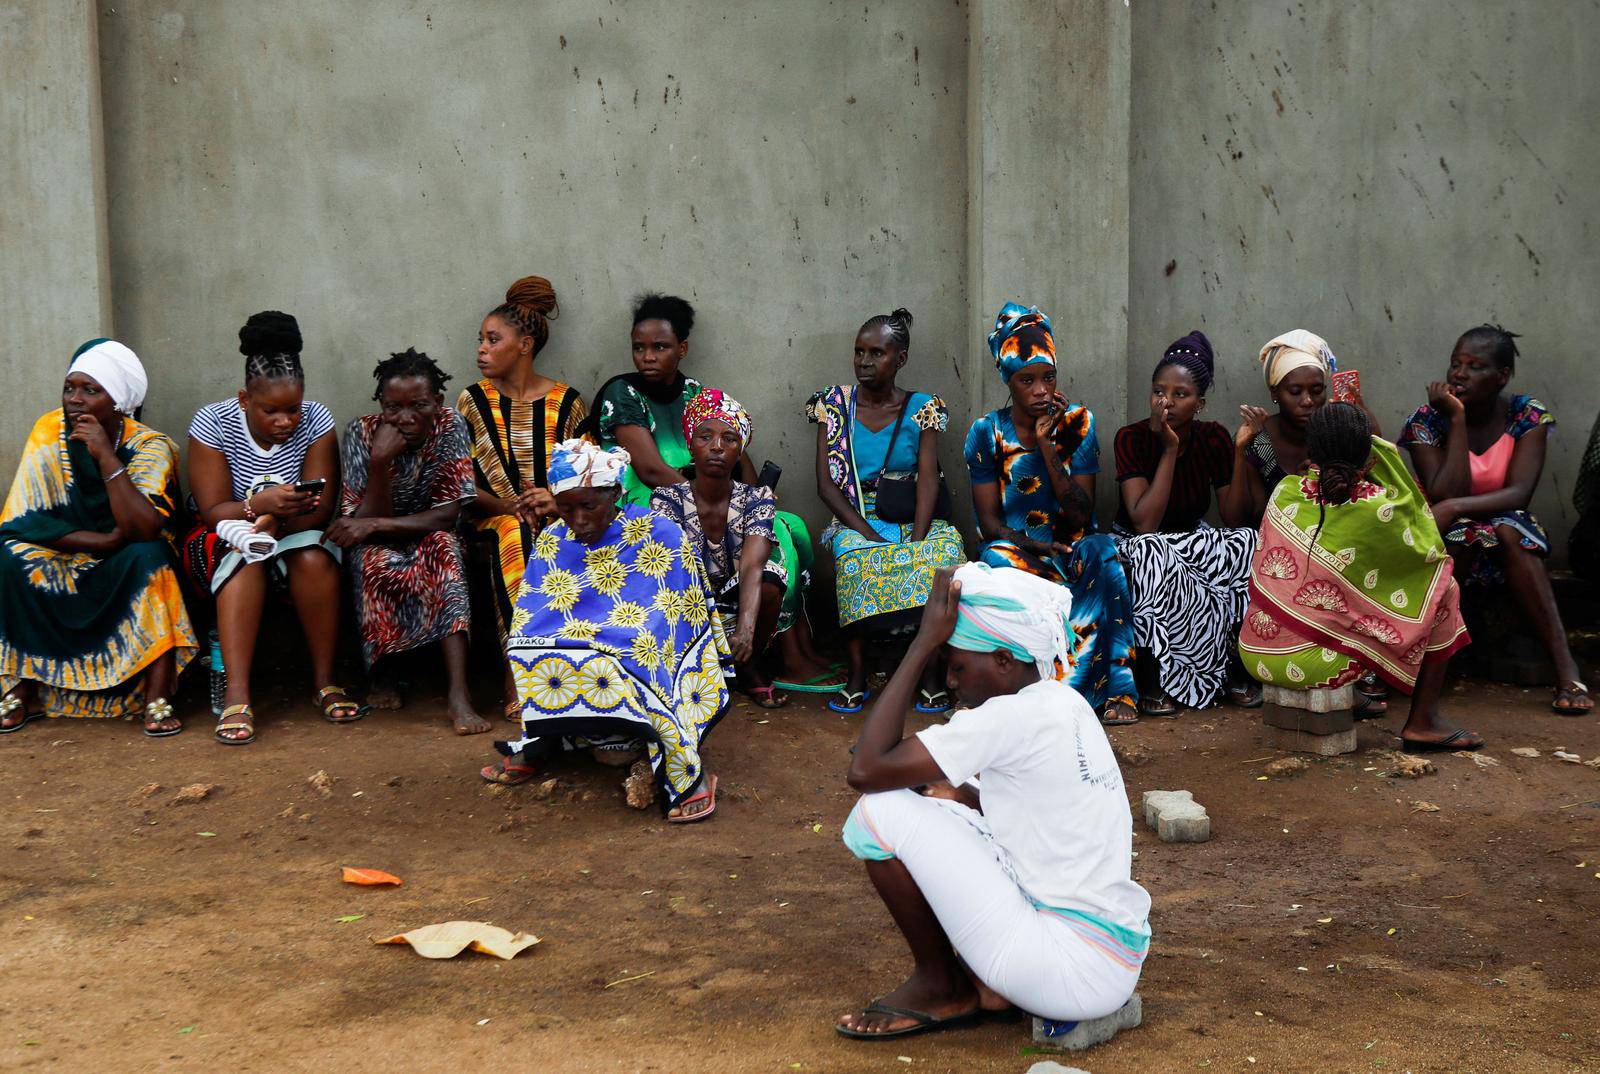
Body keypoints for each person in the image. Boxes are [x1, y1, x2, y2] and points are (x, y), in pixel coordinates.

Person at [837, 563, 1150, 1040]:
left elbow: (867, 769)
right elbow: (1035, 811)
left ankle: (942, 986)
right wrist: (960, 794)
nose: (952, 681)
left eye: (957, 665)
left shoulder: (1005, 718)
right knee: (945, 800)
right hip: (1109, 960)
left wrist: (921, 643)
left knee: (876, 813)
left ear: (1004, 660)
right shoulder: (1063, 702)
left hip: (1066, 971)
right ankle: (996, 988)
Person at [480, 440, 729, 823]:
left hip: (644, 638)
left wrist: (614, 634)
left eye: (588, 506)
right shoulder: (552, 540)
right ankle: (546, 738)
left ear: (614, 493)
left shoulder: (659, 533)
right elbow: (533, 612)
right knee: (527, 647)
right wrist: (577, 637)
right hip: (582, 637)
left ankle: (682, 766)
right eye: (565, 509)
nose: (577, 519)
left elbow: (672, 613)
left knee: (637, 650)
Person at [595, 293, 833, 686]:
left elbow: (735, 451)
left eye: (660, 347)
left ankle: (794, 642)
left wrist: (754, 499)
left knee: (791, 527)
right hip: (646, 498)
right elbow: (652, 470)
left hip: (710, 493)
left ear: (682, 349)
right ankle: (784, 656)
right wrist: (723, 500)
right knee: (769, 534)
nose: (648, 357)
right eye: (640, 348)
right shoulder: (623, 393)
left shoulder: (695, 392)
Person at [1239, 403, 1483, 751]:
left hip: (1256, 650)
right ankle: (1423, 721)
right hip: (1313, 663)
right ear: (1370, 457)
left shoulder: (1285, 491)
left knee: (1330, 602)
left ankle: (1351, 694)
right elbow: (1429, 546)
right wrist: (1382, 454)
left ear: (1311, 452)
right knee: (1442, 590)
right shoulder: (1379, 507)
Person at [0, 340, 197, 736]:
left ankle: (156, 695)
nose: (76, 400)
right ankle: (23, 688)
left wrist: (107, 456)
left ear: (119, 402)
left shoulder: (152, 446)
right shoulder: (48, 430)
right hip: (70, 547)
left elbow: (144, 528)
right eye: (70, 387)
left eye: (91, 390)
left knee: (150, 555)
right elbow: (24, 520)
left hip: (127, 556)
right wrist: (102, 542)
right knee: (7, 555)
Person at [1399, 325, 1590, 714]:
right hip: (1451, 532)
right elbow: (1442, 492)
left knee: (1510, 530)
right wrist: (1455, 420)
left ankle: (1565, 667)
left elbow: (1519, 493)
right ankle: (1436, 665)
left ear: (1501, 375)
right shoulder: (1426, 420)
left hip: (1504, 525)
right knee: (1466, 535)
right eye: (1456, 364)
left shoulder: (1527, 415)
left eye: (1474, 366)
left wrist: (1455, 508)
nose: (1459, 374)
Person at [964, 301, 1138, 724]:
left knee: (1102, 549)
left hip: (1072, 550)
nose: (1041, 390)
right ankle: (1017, 691)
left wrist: (1047, 444)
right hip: (1020, 552)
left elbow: (1081, 515)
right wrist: (1032, 545)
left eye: (1048, 377)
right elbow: (989, 523)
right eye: (1027, 380)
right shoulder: (986, 432)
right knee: (994, 557)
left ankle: (1119, 691)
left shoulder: (1078, 423)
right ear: (1009, 380)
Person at [183, 320, 355, 745]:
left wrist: (278, 520)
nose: (285, 421)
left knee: (314, 555)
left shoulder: (316, 420)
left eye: (292, 409)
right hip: (224, 533)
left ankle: (323, 681)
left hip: (297, 529)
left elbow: (319, 509)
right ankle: (238, 695)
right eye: (271, 411)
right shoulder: (213, 423)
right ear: (245, 399)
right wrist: (258, 507)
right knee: (247, 560)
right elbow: (210, 511)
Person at [806, 308, 966, 714]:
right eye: (859, 351)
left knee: (942, 560)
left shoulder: (923, 407)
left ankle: (931, 674)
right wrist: (867, 532)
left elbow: (928, 478)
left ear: (901, 358)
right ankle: (857, 675)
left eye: (876, 353)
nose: (864, 361)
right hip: (856, 513)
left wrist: (917, 537)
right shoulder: (834, 405)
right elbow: (826, 485)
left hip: (915, 512)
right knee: (855, 559)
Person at [1222, 328, 1389, 711]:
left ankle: (1355, 670)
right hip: (1282, 550)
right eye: (1294, 391)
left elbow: (1381, 461)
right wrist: (1240, 450)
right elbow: (1236, 517)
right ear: (1274, 395)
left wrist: (1359, 407)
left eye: (1316, 390)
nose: (1308, 400)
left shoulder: (1336, 431)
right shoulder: (1263, 439)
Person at [326, 349, 487, 735]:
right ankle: (383, 673)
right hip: (378, 538)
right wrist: (380, 462)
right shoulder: (360, 433)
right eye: (393, 407)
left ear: (437, 402)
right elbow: (358, 523)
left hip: (432, 531)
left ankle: (459, 694)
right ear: (380, 405)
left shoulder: (451, 427)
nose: (405, 418)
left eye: (418, 405)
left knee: (444, 551)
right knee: (370, 560)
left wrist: (375, 524)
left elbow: (447, 515)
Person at [456, 275, 588, 721]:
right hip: (491, 516)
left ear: (525, 345)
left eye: (493, 340)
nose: (481, 349)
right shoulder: (472, 402)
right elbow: (460, 481)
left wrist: (555, 501)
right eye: (481, 340)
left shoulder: (566, 402)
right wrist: (510, 506)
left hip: (557, 513)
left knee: (562, 537)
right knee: (514, 535)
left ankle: (573, 671)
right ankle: (521, 676)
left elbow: (584, 473)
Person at [1113, 331, 1259, 716]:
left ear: (1200, 402)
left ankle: (1234, 669)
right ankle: (1154, 679)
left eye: (1181, 394)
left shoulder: (1213, 438)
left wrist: (1240, 451)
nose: (1167, 402)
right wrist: (1170, 450)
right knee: (1152, 552)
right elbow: (1144, 522)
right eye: (1159, 391)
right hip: (1137, 542)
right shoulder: (1130, 438)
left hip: (1189, 537)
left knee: (1245, 541)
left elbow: (1233, 516)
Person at [651, 390, 792, 708]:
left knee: (771, 579)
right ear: (691, 444)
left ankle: (748, 666)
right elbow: (670, 572)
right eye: (705, 437)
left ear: (740, 450)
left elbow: (753, 566)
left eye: (729, 439)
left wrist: (744, 631)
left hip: (736, 600)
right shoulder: (667, 499)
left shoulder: (757, 499)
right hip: (687, 604)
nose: (717, 447)